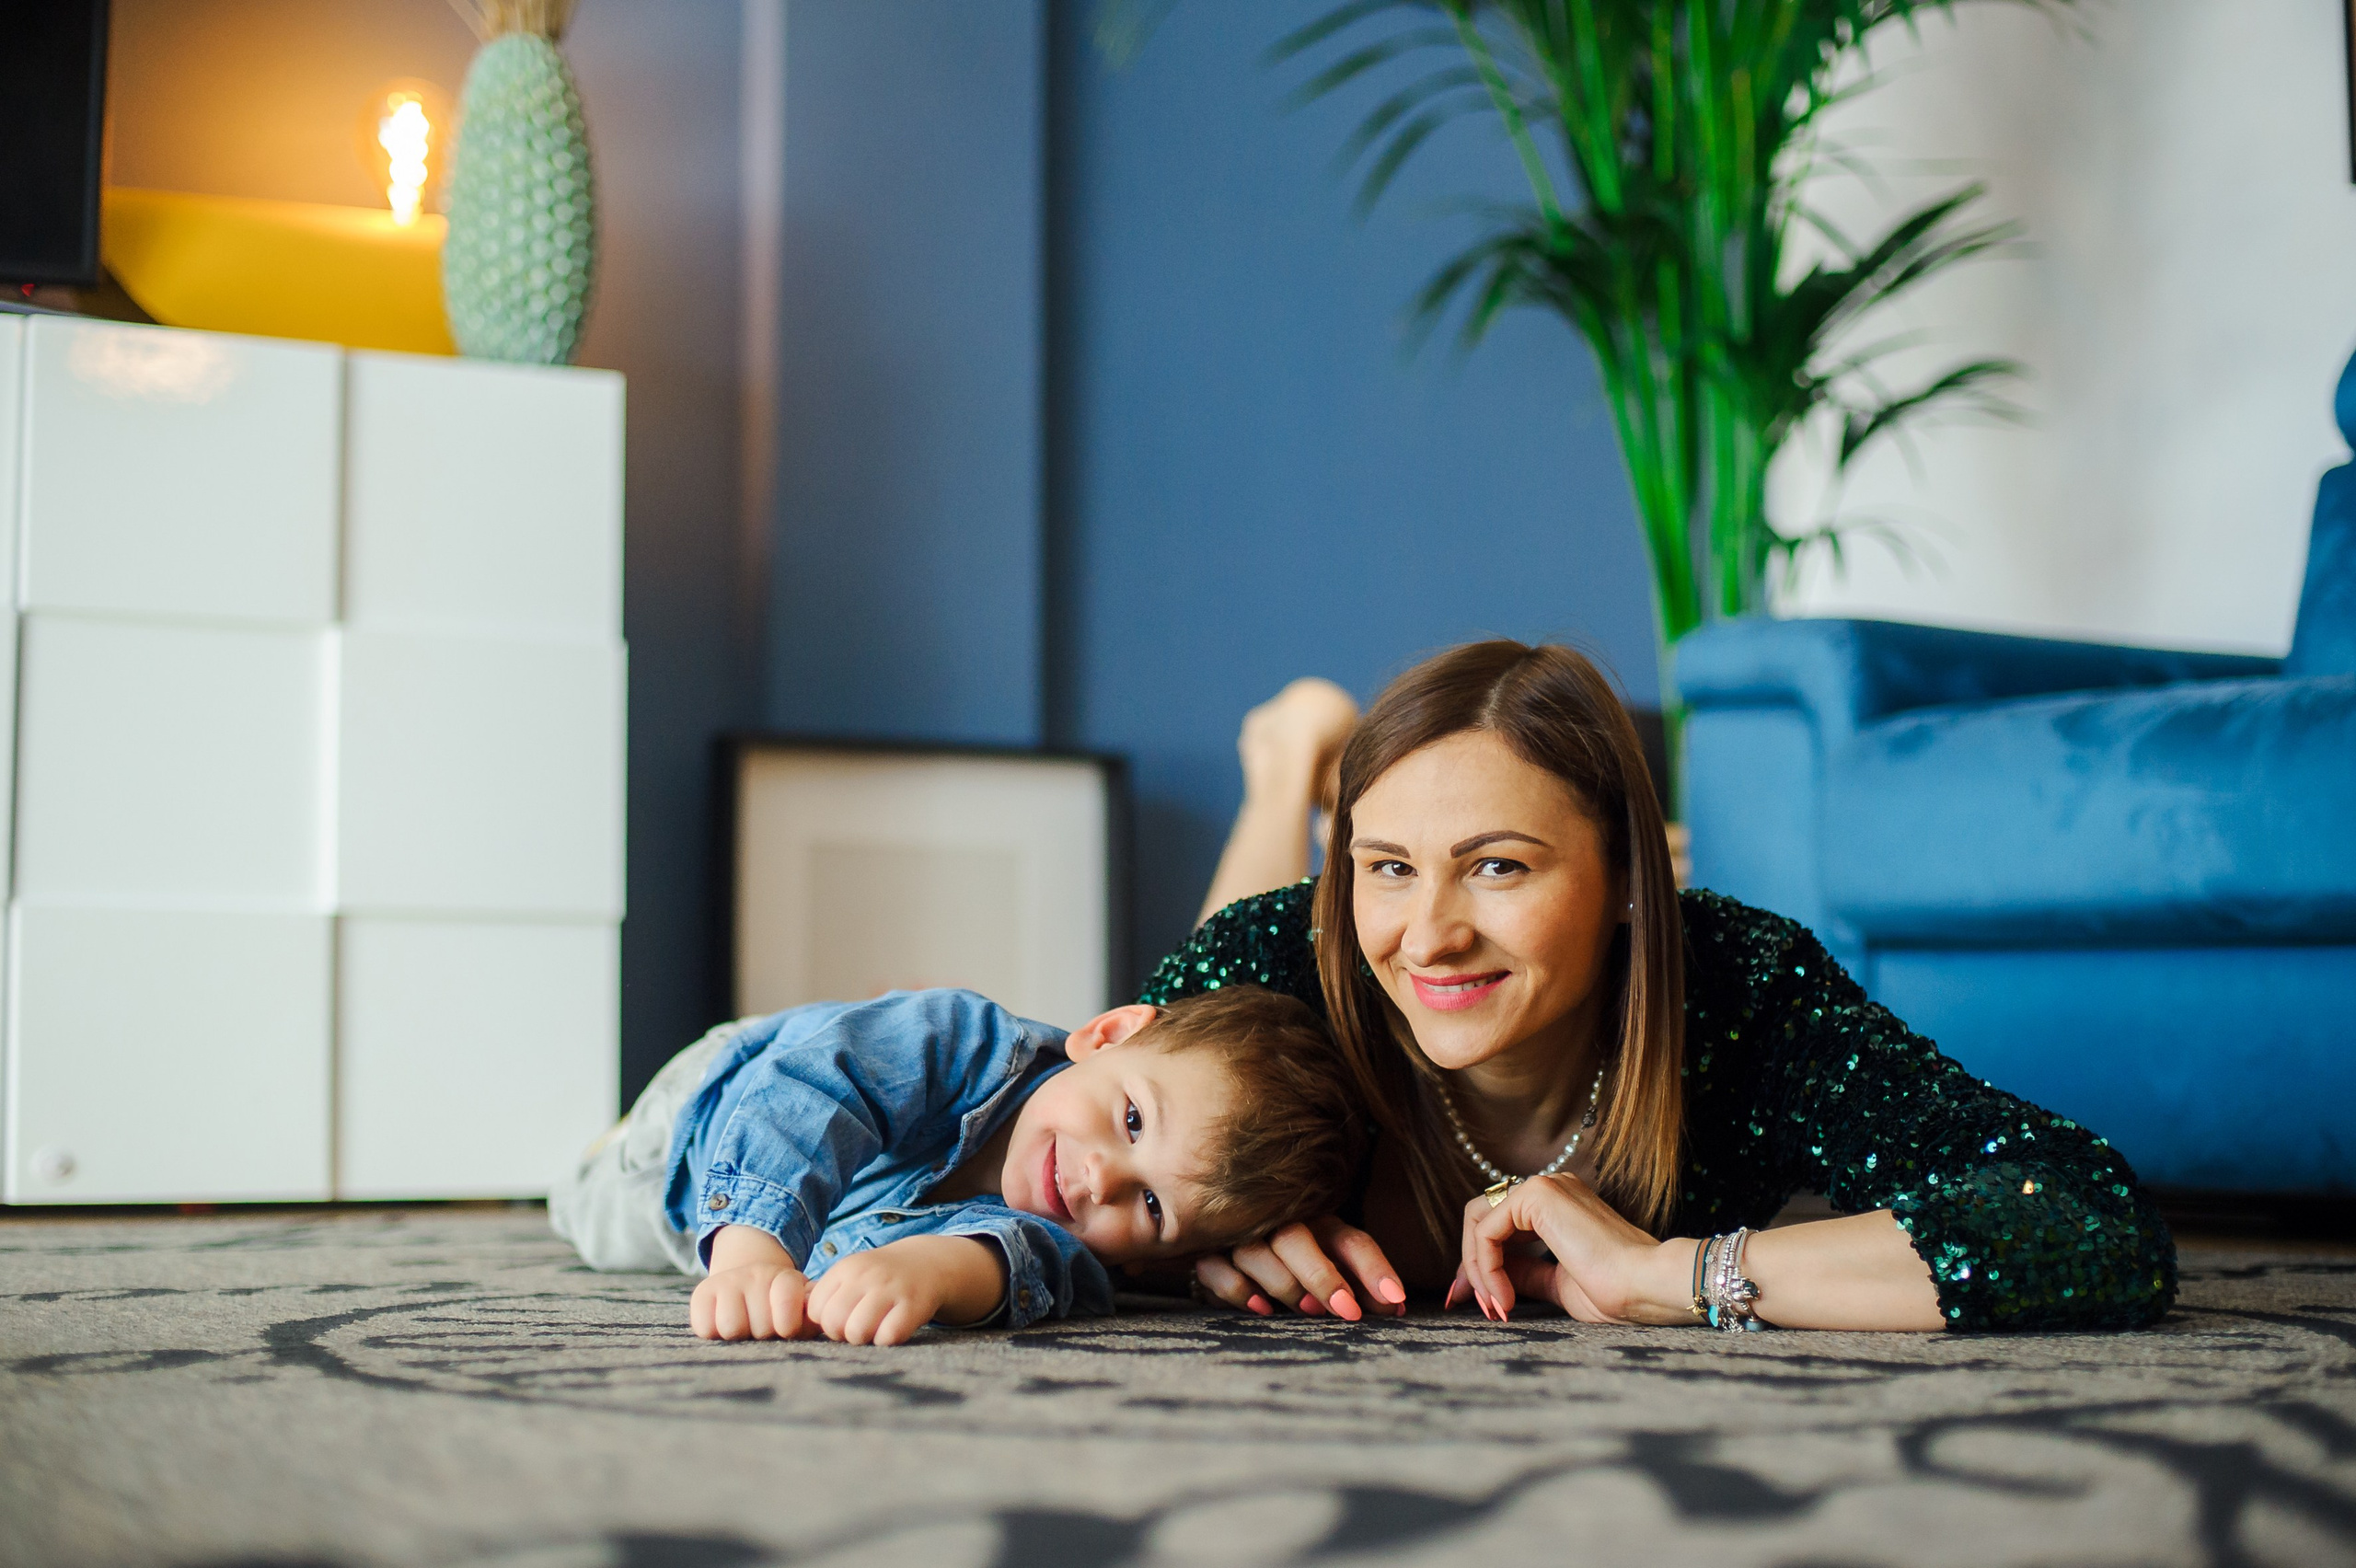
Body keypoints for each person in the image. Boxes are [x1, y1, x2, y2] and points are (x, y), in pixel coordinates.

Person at [1148, 640, 2177, 1332]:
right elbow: (1079, 1131)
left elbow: (2086, 1217)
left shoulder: (1742, 986)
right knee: (1199, 1019)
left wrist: (1671, 1275)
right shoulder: (1284, 955)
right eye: (1386, 866)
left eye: (1498, 866)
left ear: (1634, 879)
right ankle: (1285, 772)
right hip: (1283, 944)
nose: (1430, 938)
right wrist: (1196, 1237)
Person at [550, 986, 1364, 1345]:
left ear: (1168, 1257)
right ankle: (598, 1150)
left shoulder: (1071, 1245)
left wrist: (930, 1271)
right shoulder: (961, 1040)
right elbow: (817, 1090)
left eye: (1152, 1206)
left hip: (788, 1232)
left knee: (673, 1258)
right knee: (589, 1213)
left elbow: (1014, 1264)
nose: (1100, 1179)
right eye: (1130, 1120)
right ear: (1109, 1035)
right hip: (715, 1110)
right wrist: (749, 1251)